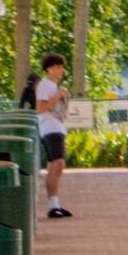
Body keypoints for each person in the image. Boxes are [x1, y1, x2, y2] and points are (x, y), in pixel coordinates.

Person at [29, 53, 71, 218]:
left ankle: (54, 205)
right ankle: (53, 205)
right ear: (49, 69)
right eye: (57, 67)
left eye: (62, 67)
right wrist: (58, 95)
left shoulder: (53, 86)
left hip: (56, 127)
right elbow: (40, 108)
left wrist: (63, 96)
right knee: (58, 164)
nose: (61, 70)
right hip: (50, 128)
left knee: (55, 166)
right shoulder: (46, 85)